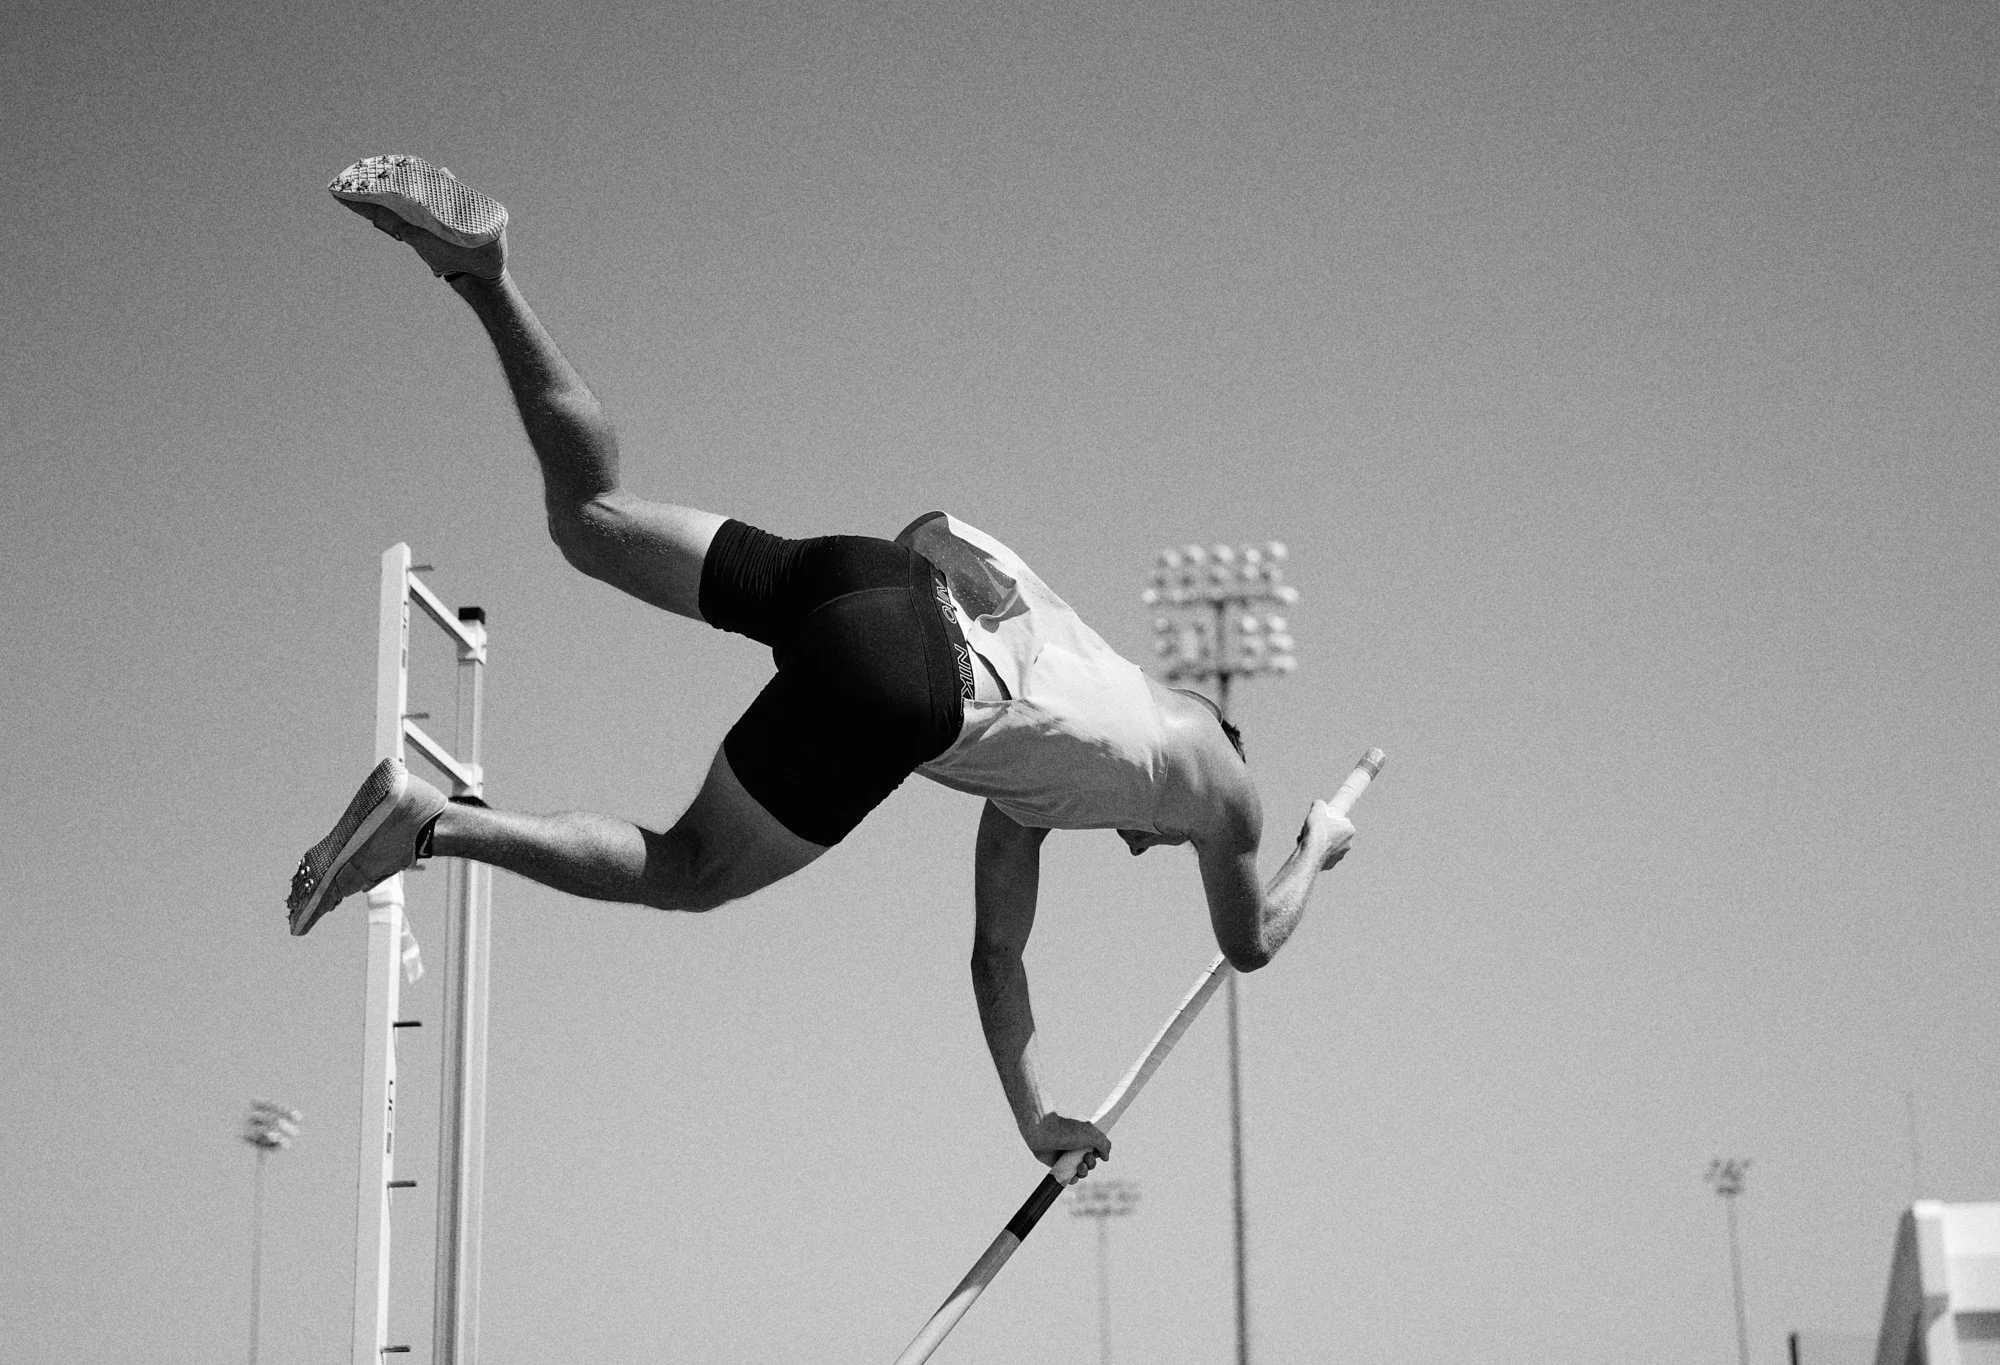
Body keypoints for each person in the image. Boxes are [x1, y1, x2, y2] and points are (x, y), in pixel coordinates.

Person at [292, 155, 1358, 1181]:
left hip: (868, 577)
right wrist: (1311, 848)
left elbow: (998, 960)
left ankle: (485, 278)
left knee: (591, 519)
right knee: (687, 870)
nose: (1139, 847)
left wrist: (1037, 1116)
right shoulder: (1219, 776)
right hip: (908, 683)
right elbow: (1250, 943)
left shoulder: (1038, 779)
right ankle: (431, 824)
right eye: (1159, 845)